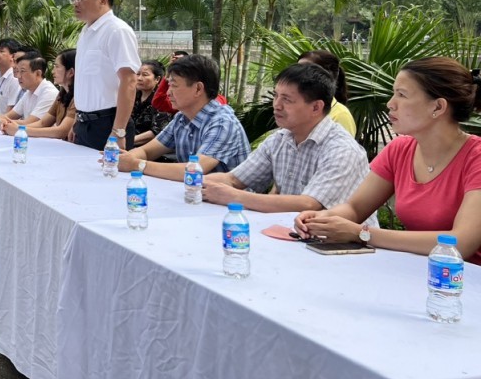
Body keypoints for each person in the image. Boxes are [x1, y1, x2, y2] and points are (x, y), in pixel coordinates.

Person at [295, 57, 481, 263]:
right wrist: (321, 219)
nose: (390, 104)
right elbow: (355, 208)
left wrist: (362, 233)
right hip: (416, 272)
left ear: (437, 107)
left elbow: (461, 243)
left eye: (402, 95)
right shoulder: (399, 150)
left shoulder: (476, 157)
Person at [202, 63, 375, 215]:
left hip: (345, 245)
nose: (276, 105)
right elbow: (234, 180)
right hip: (292, 232)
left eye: (286, 99)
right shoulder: (279, 139)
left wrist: (234, 196)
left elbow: (309, 204)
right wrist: (194, 182)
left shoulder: (341, 150)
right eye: (276, 96)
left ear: (316, 107)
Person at [120, 54, 251, 176]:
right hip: (196, 194)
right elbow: (147, 151)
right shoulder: (182, 117)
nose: (168, 93)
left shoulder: (222, 123)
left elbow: (195, 169)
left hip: (228, 199)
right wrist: (125, 158)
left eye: (174, 86)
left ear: (198, 89)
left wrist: (138, 165)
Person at [69, 0, 141, 151]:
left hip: (108, 124)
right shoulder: (86, 33)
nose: (75, 3)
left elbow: (129, 80)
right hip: (84, 124)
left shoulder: (117, 31)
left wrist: (119, 131)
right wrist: (77, 121)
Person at [5, 49, 76, 139]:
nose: (53, 71)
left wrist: (20, 130)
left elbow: (61, 131)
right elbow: (43, 123)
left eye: (57, 67)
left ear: (71, 72)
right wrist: (12, 126)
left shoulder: (77, 98)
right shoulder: (61, 94)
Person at [0, 54, 59, 132]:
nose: (18, 76)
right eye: (18, 71)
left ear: (38, 73)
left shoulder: (49, 92)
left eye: (22, 71)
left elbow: (30, 122)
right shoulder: (29, 91)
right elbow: (10, 116)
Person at [298, 49, 356, 136]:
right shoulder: (298, 108)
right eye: (297, 69)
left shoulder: (341, 115)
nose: (296, 75)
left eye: (306, 71)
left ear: (326, 77)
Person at [132, 60, 171, 147]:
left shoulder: (162, 101)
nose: (139, 78)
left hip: (150, 148)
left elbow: (157, 131)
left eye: (145, 75)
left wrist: (128, 140)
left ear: (157, 79)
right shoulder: (132, 96)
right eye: (138, 74)